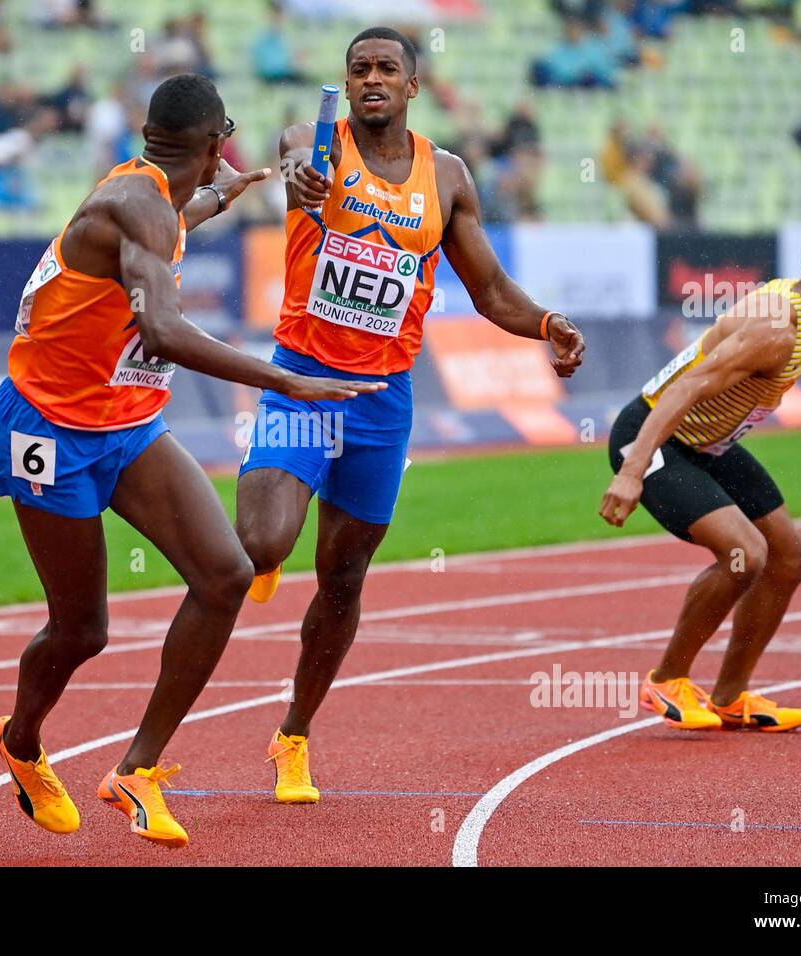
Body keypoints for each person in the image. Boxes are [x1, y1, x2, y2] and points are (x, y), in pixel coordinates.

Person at [0, 73, 384, 848]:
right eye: (222, 146)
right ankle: (23, 741)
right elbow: (163, 332)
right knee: (81, 631)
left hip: (125, 423)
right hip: (48, 429)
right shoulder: (134, 202)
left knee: (227, 573)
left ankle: (137, 770)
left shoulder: (157, 199)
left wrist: (222, 196)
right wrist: (286, 377)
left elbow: (174, 219)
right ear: (211, 141)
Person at [235, 27, 585, 804]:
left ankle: (293, 734)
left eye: (386, 68)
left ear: (411, 85)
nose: (371, 79)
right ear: (345, 82)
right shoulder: (313, 141)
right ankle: (263, 562)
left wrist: (545, 324)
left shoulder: (448, 175)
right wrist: (302, 181)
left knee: (344, 577)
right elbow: (294, 168)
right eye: (358, 68)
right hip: (299, 377)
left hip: (382, 400)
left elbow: (490, 289)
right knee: (263, 540)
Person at [601, 217, 801, 732]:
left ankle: (729, 695)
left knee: (789, 558)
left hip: (710, 443)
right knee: (745, 555)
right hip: (657, 436)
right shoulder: (773, 330)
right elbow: (686, 387)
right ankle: (666, 679)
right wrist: (632, 470)